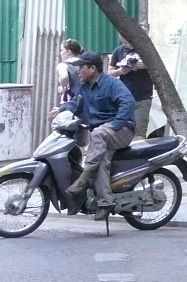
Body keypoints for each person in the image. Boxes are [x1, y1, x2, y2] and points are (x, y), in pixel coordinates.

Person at [52, 51, 135, 221]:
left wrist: (116, 124)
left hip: (122, 130)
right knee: (101, 161)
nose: (79, 71)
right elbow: (76, 103)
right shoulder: (83, 86)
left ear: (93, 69)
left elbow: (128, 102)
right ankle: (105, 204)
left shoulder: (111, 84)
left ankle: (83, 180)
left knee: (98, 133)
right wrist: (60, 109)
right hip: (102, 135)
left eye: (82, 67)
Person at [109, 34, 153, 140]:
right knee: (119, 129)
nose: (128, 45)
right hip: (124, 97)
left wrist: (146, 65)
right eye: (124, 43)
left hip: (142, 97)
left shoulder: (146, 49)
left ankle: (137, 154)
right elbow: (110, 72)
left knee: (139, 132)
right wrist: (121, 71)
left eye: (130, 42)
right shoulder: (118, 51)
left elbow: (159, 67)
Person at [56, 39, 84, 104]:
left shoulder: (63, 65)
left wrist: (64, 89)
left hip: (70, 100)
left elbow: (64, 77)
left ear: (68, 52)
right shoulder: (84, 64)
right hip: (85, 99)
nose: (60, 53)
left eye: (62, 50)